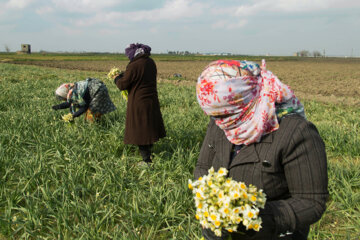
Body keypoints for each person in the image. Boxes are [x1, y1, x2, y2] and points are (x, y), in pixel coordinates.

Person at [194, 59, 328, 240]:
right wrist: (209, 205)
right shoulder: (221, 122)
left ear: (243, 101)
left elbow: (312, 202)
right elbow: (203, 166)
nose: (219, 121)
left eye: (223, 114)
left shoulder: (295, 132)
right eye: (213, 115)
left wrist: (257, 217)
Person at [113, 43, 166, 164]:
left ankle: (147, 161)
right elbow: (138, 78)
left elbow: (123, 85)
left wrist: (116, 78)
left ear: (133, 54)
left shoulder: (134, 65)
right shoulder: (150, 62)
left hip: (139, 102)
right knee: (149, 128)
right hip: (151, 100)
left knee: (141, 131)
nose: (129, 58)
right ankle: (150, 154)